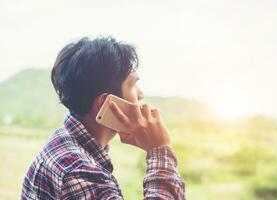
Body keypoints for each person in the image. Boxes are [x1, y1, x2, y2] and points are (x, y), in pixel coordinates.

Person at [21, 36, 185, 199]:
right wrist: (159, 149)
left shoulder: (65, 143)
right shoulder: (78, 171)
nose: (140, 94)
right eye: (132, 85)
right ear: (106, 103)